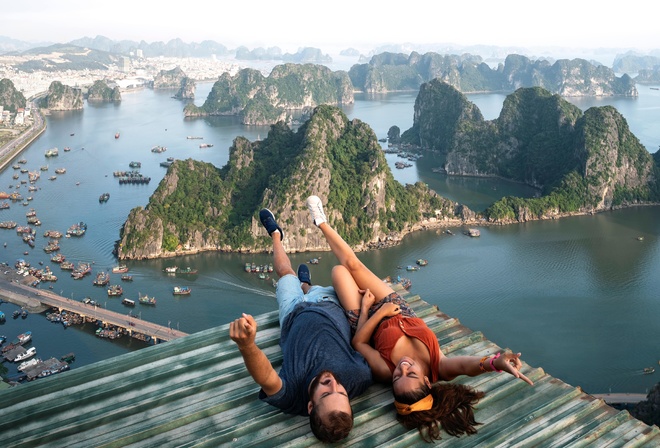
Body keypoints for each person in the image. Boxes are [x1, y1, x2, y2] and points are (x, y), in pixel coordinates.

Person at [305, 195, 534, 442]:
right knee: (354, 265)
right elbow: (468, 366)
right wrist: (496, 363)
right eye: (411, 374)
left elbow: (358, 344)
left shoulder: (384, 370)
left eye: (397, 377)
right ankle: (321, 221)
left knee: (339, 271)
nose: (402, 367)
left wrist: (370, 308)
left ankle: (306, 285)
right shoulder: (439, 367)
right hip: (400, 307)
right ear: (427, 380)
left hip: (367, 319)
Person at [229, 208, 372, 443]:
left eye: (326, 392)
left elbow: (267, 379)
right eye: (342, 392)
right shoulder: (359, 377)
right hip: (327, 304)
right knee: (310, 288)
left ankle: (276, 234)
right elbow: (361, 341)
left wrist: (247, 346)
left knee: (285, 273)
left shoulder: (292, 396)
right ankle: (306, 285)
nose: (333, 382)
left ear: (309, 406)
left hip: (292, 314)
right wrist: (364, 309)